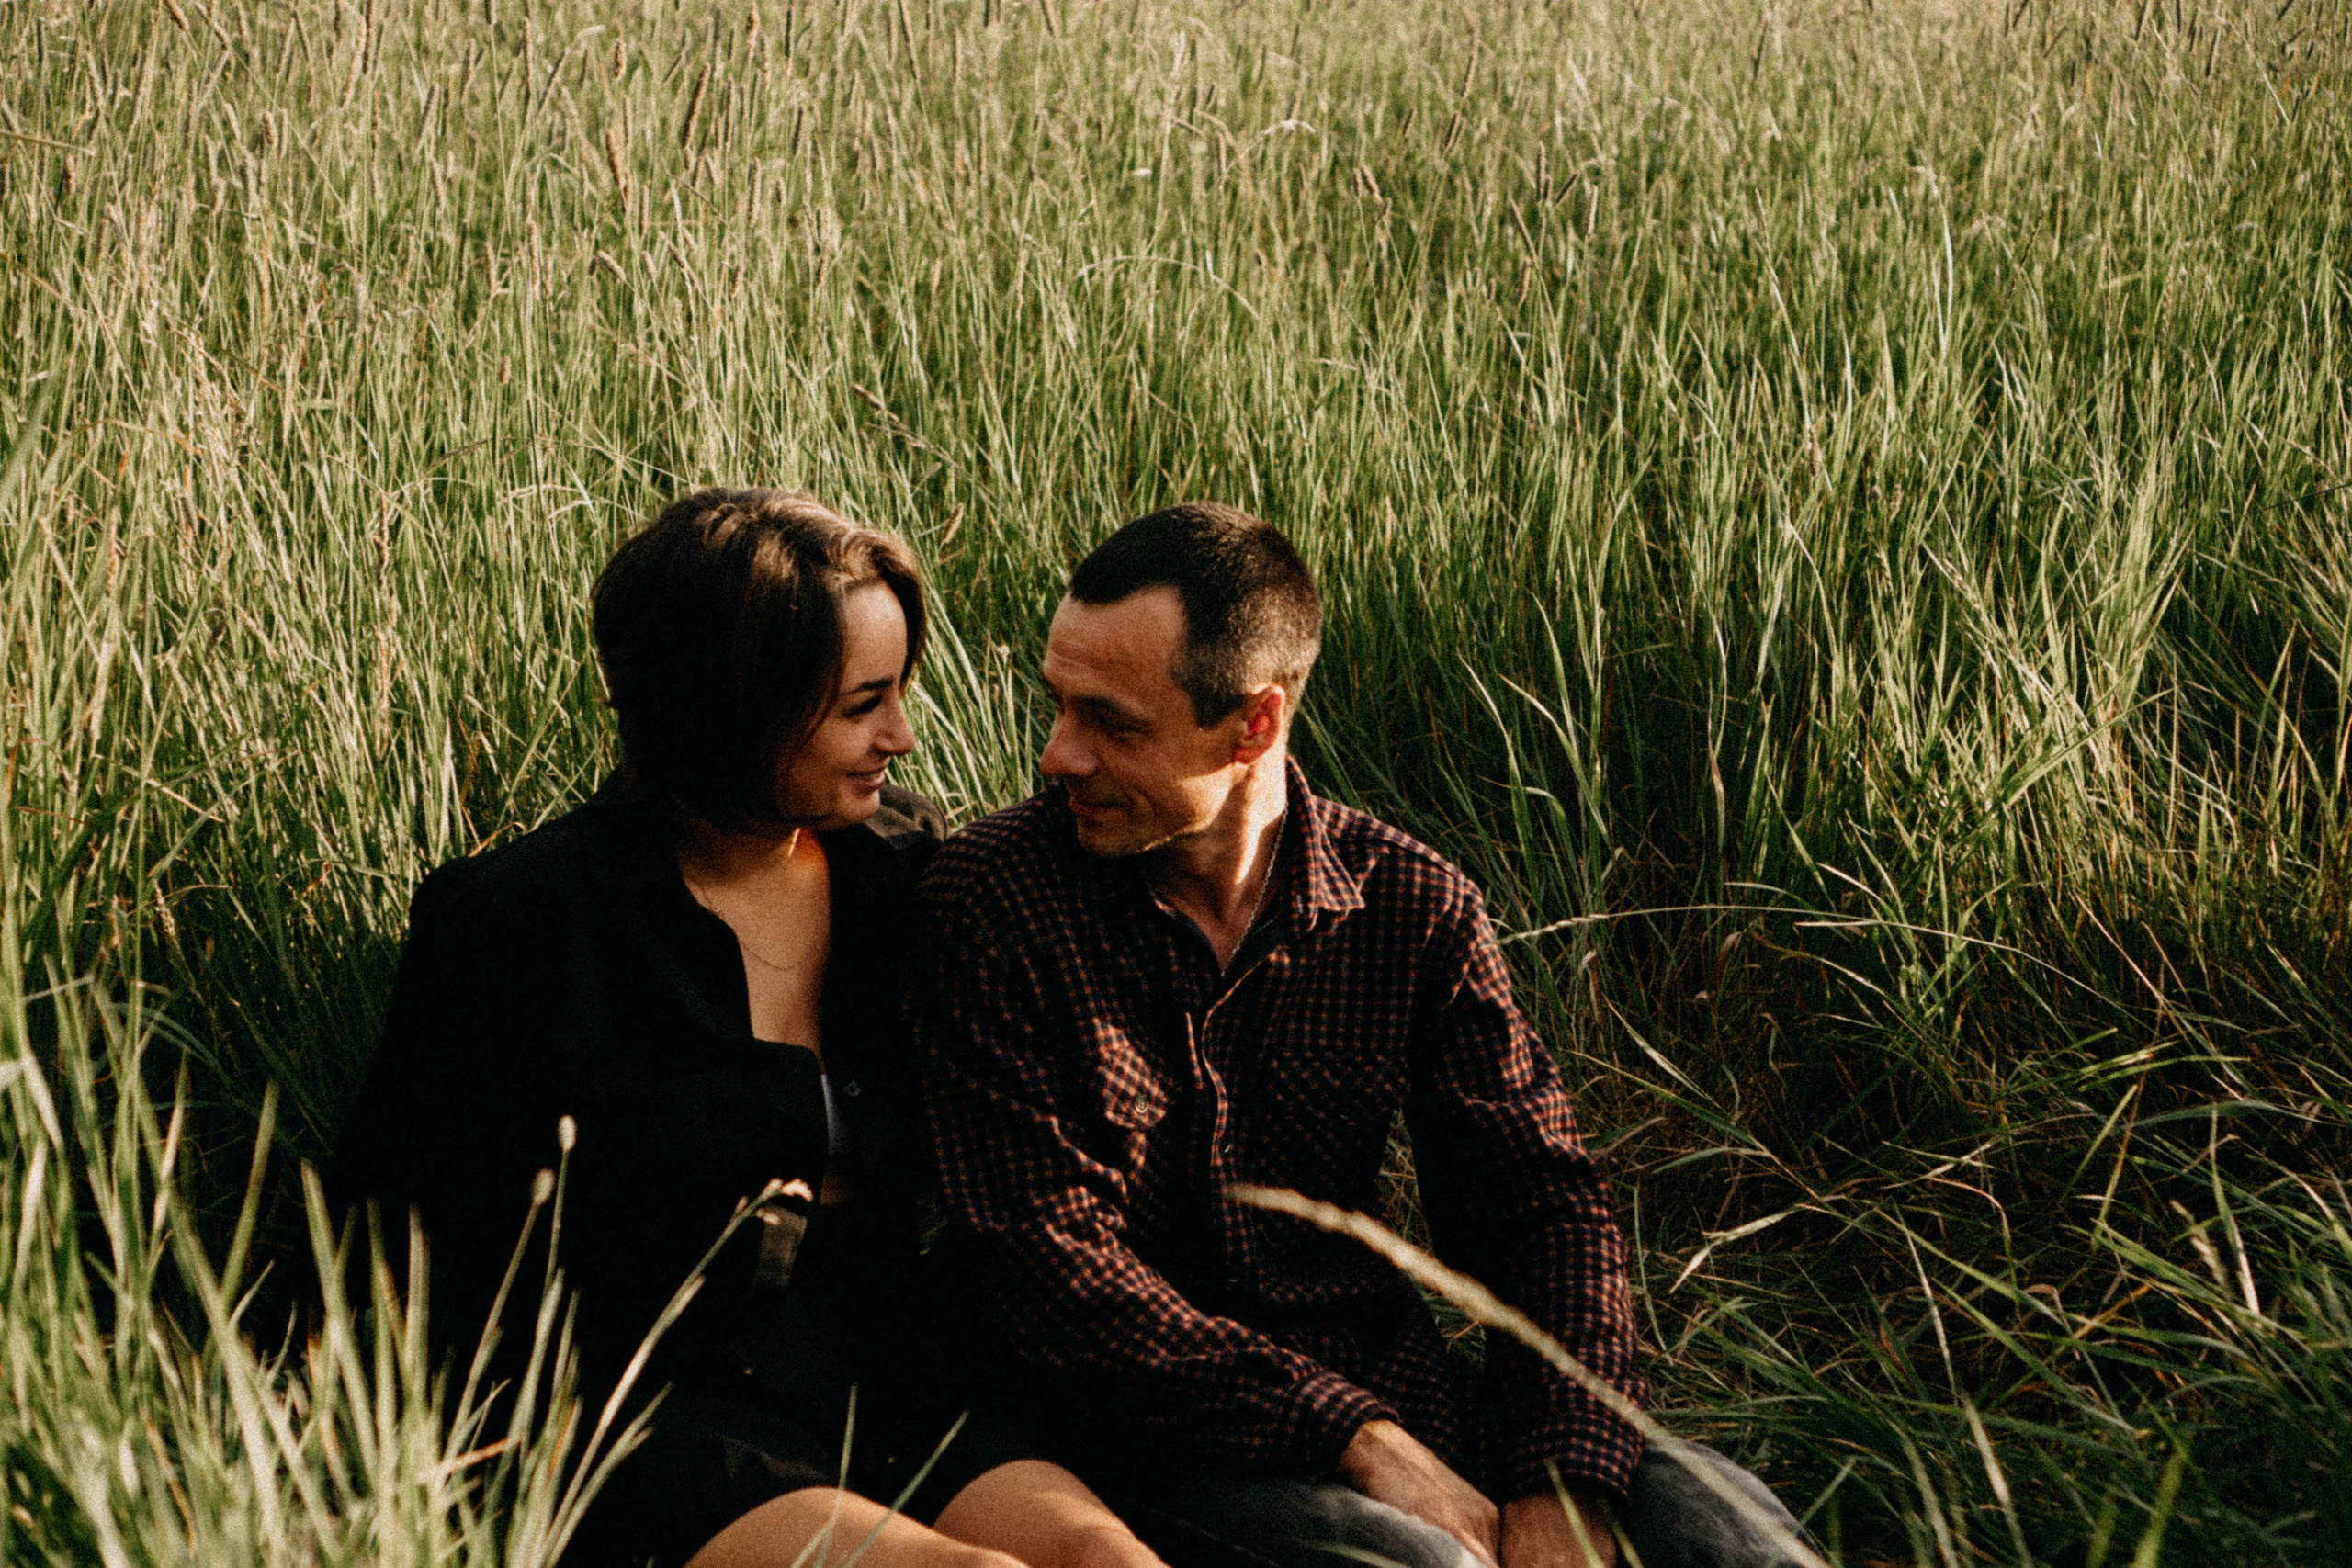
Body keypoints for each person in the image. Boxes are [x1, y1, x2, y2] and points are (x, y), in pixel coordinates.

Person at [914, 504, 1802, 1568]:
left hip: (1403, 1403)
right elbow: (1048, 1274)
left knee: (1728, 1535)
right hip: (1143, 1438)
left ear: (1252, 725)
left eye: (1114, 724)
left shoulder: (1411, 905)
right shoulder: (992, 900)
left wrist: (1557, 1482)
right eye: (1057, 706)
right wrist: (1352, 1437)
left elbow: (1542, 1209)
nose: (1059, 755)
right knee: (1420, 1566)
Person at [334, 489, 1167, 1568]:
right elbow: (391, 1238)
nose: (900, 737)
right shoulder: (523, 921)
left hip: (884, 1372)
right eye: (862, 703)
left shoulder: (903, 872)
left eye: (899, 692)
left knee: (1111, 1562)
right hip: (643, 1410)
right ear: (739, 709)